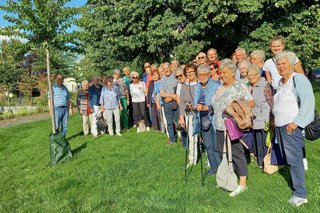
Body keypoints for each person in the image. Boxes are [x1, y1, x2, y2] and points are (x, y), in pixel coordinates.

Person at [272, 51, 315, 207]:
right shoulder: (280, 82)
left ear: (291, 64)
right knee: (288, 157)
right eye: (278, 64)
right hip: (280, 127)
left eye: (284, 63)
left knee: (294, 159)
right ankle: (296, 186)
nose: (281, 67)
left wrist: (296, 123)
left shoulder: (299, 79)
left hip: (291, 126)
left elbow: (308, 103)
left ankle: (300, 194)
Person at [212, 61, 255, 197]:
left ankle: (242, 184)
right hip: (219, 125)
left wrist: (236, 107)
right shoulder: (220, 86)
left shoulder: (239, 85)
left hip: (232, 126)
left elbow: (251, 102)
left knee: (236, 152)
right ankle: (227, 176)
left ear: (232, 72)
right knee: (222, 153)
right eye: (221, 72)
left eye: (224, 72)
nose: (221, 75)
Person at [247, 65, 272, 168]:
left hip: (264, 118)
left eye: (254, 74)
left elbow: (271, 102)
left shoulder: (265, 86)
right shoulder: (248, 86)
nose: (251, 77)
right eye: (249, 75)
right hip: (253, 119)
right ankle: (260, 162)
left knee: (265, 143)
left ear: (258, 74)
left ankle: (267, 163)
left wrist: (269, 119)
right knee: (258, 142)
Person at [179, 63, 198, 167]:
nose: (190, 73)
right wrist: (181, 117)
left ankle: (210, 160)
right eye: (188, 72)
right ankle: (192, 160)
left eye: (191, 71)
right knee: (192, 138)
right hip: (189, 115)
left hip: (201, 114)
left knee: (205, 139)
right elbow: (181, 102)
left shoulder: (200, 84)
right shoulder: (184, 86)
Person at [160, 62, 178, 144]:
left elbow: (179, 90)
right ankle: (172, 140)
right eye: (164, 69)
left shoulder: (176, 76)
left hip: (176, 101)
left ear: (170, 67)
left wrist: (171, 98)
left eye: (167, 68)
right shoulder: (162, 80)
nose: (166, 70)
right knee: (169, 122)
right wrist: (171, 96)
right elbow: (162, 93)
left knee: (178, 121)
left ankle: (184, 139)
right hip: (166, 103)